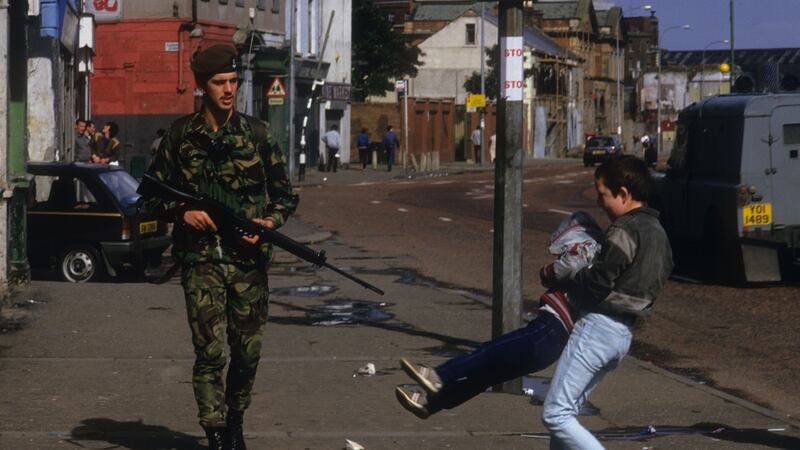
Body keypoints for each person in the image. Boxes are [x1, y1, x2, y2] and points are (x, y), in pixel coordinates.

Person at [141, 44, 298, 450]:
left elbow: (285, 196)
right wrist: (181, 212)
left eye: (233, 81)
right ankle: (214, 433)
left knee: (246, 352)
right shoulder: (179, 136)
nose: (228, 89)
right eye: (219, 83)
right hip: (201, 260)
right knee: (209, 352)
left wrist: (268, 223)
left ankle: (235, 420)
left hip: (247, 262)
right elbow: (150, 195)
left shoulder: (258, 134)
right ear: (202, 86)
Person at [395, 212, 605, 419]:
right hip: (555, 344)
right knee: (486, 375)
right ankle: (430, 404)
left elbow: (566, 267)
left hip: (550, 328)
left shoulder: (588, 245)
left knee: (488, 353)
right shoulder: (602, 260)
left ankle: (439, 376)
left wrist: (546, 272)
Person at [540, 155, 673, 449]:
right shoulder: (660, 235)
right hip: (623, 335)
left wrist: (564, 275)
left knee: (555, 414)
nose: (599, 203)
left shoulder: (624, 230)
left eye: (602, 195)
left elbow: (598, 282)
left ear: (623, 193)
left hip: (597, 329)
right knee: (567, 412)